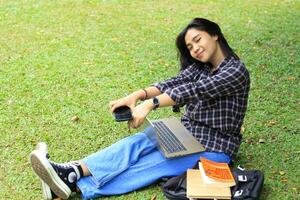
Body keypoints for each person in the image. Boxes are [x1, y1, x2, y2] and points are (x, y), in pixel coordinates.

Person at [30, 18, 250, 200]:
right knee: (134, 143)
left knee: (151, 165)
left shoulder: (235, 71)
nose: (195, 49)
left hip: (214, 149)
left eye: (197, 40)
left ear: (215, 34)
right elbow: (173, 83)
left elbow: (193, 90)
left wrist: (149, 105)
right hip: (186, 133)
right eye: (190, 47)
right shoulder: (201, 68)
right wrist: (136, 96)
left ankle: (77, 186)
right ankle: (73, 171)